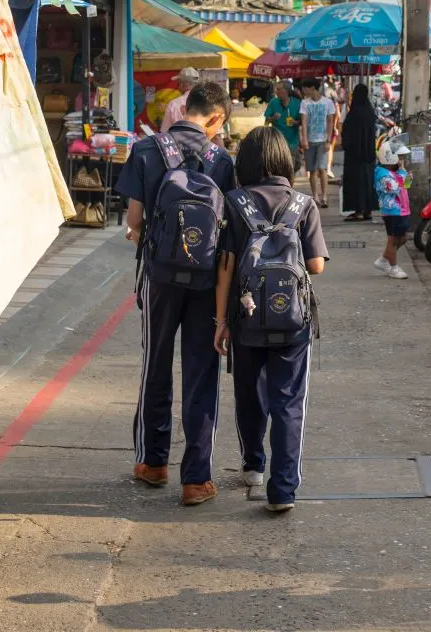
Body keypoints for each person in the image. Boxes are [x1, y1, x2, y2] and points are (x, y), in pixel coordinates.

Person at [117, 82, 235, 505]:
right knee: (202, 372)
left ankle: (153, 463)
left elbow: (134, 222)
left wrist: (155, 245)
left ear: (186, 108)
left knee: (156, 363)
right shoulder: (222, 160)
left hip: (160, 277)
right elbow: (228, 234)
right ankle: (196, 479)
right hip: (207, 283)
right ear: (216, 117)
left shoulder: (146, 150)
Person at [214, 125, 328, 513]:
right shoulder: (304, 204)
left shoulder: (234, 202)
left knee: (249, 394)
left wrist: (220, 322)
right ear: (285, 161)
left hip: (245, 318)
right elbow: (316, 264)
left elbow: (226, 268)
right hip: (293, 321)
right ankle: (283, 491)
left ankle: (253, 466)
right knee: (289, 402)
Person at [373, 141, 411, 279]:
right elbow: (393, 188)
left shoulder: (395, 172)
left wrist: (404, 175)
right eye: (399, 157)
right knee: (393, 241)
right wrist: (402, 173)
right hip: (392, 211)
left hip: (402, 210)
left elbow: (405, 186)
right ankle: (394, 268)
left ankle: (383, 260)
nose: (401, 160)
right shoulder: (382, 174)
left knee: (403, 238)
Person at [340, 83, 377, 221]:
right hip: (369, 156)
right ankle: (368, 211)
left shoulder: (354, 113)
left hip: (355, 156)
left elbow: (348, 133)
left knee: (357, 183)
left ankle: (359, 211)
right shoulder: (370, 112)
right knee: (368, 182)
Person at [299, 78, 336, 209]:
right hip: (309, 140)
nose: (303, 91)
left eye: (305, 88)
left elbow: (330, 121)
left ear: (312, 88)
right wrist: (304, 139)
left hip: (323, 140)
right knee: (312, 170)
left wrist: (328, 140)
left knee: (322, 168)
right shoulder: (304, 103)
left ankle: (324, 196)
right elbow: (304, 122)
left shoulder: (328, 102)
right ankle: (315, 196)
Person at [264, 81, 302, 170]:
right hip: (277, 141)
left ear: (286, 91)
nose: (276, 91)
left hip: (292, 142)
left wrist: (295, 122)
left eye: (278, 89)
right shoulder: (274, 102)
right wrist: (273, 118)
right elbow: (266, 121)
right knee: (278, 167)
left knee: (292, 167)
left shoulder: (297, 103)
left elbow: (302, 121)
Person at [160, 66, 200, 133]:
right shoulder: (207, 100)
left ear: (183, 84)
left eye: (178, 82)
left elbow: (165, 131)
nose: (178, 86)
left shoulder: (173, 104)